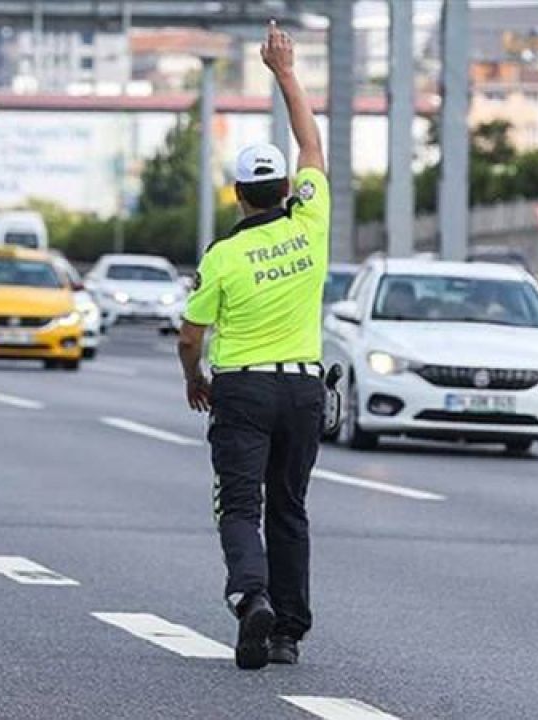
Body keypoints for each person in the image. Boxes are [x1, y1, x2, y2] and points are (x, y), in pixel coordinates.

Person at [177, 20, 329, 671]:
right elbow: (312, 143)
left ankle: (251, 596)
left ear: (238, 195)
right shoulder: (313, 221)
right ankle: (288, 632)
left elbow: (190, 336)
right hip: (302, 388)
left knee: (241, 504)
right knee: (289, 508)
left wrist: (194, 377)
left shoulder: (225, 256)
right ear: (285, 189)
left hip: (241, 387)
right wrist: (285, 71)